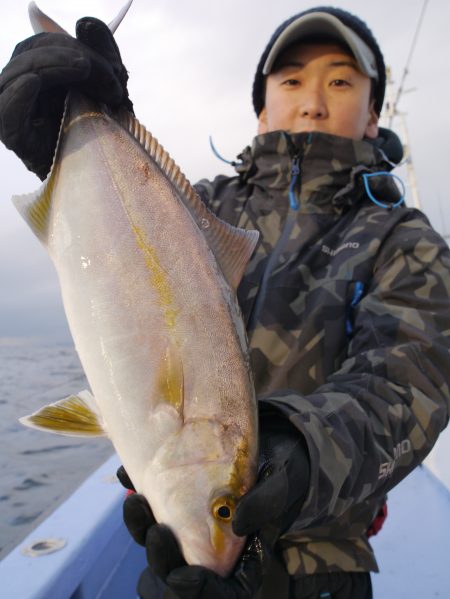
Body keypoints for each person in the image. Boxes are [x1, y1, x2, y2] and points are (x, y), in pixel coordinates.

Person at [1, 5, 450, 599]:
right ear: (261, 107)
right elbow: (111, 252)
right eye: (290, 79)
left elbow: (410, 379)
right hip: (171, 561)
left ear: (374, 114)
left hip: (325, 566)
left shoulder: (402, 239)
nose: (313, 99)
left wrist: (303, 457)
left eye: (341, 81)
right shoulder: (203, 207)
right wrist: (73, 144)